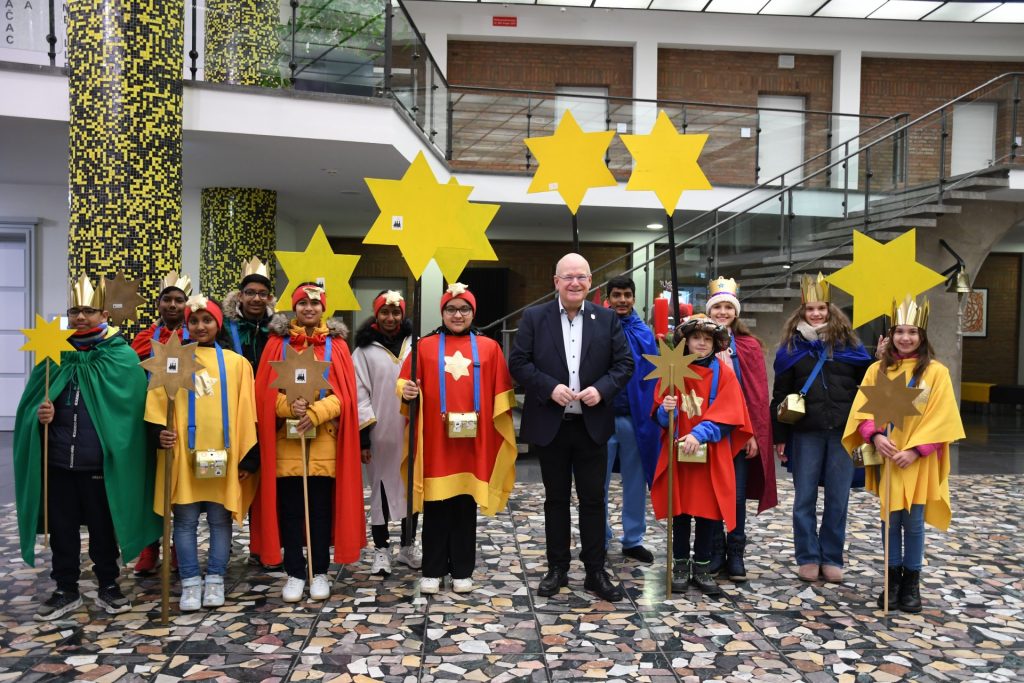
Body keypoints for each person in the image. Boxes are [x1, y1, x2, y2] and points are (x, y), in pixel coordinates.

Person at [14, 274, 161, 620]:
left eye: (89, 310)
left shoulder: (121, 357)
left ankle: (109, 584)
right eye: (75, 310)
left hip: (99, 464)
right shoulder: (55, 355)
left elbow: (131, 411)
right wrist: (41, 413)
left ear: (104, 314)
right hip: (60, 463)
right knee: (62, 530)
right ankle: (65, 588)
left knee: (103, 528)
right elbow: (32, 404)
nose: (81, 317)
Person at [509, 253, 633, 602]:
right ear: (556, 282)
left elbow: (624, 364)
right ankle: (557, 568)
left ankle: (595, 571)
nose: (575, 283)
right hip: (553, 425)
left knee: (594, 500)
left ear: (590, 281)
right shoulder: (535, 317)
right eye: (568, 277)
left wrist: (602, 389)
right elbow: (518, 362)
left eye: (581, 277)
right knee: (556, 500)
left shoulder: (607, 319)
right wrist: (548, 387)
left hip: (592, 425)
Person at [842, 296, 964, 612]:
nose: (905, 338)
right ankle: (891, 582)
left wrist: (917, 450)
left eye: (912, 332)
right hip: (888, 456)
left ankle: (912, 584)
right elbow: (862, 412)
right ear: (891, 335)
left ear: (922, 336)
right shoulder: (877, 370)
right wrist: (876, 437)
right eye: (899, 332)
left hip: (916, 460)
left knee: (913, 522)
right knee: (889, 520)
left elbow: (943, 417)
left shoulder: (936, 373)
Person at [398, 283, 518, 594]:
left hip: (472, 443)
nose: (458, 314)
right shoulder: (423, 347)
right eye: (451, 309)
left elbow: (502, 394)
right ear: (442, 312)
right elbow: (404, 385)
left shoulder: (490, 348)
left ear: (473, 313)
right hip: (436, 441)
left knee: (465, 507)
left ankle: (463, 569)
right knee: (436, 507)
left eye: (464, 309)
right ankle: (433, 569)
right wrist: (407, 391)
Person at [251, 283, 365, 602]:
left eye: (315, 304)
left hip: (324, 447)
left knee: (319, 512)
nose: (309, 309)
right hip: (286, 448)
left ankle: (319, 572)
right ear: (295, 307)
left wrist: (315, 412)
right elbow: (264, 396)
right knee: (290, 512)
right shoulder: (277, 344)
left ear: (323, 308)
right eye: (303, 303)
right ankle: (294, 572)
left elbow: (346, 398)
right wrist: (290, 408)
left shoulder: (337, 346)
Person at [145, 296, 260, 611]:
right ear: (186, 325)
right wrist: (159, 433)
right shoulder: (173, 360)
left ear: (217, 323)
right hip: (185, 454)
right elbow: (156, 402)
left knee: (220, 520)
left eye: (206, 320)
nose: (200, 326)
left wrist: (248, 456)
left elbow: (247, 410)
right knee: (185, 521)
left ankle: (215, 580)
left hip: (224, 454)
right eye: (193, 321)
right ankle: (191, 581)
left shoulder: (238, 364)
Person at [771, 273, 872, 583]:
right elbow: (780, 396)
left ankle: (831, 556)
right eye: (810, 309)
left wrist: (881, 358)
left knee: (838, 498)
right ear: (802, 312)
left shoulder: (850, 346)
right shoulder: (791, 350)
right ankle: (807, 556)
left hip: (843, 432)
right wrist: (780, 437)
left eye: (821, 309)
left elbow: (870, 381)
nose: (816, 314)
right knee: (804, 498)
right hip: (806, 433)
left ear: (831, 311)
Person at [652, 315, 751, 597]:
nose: (702, 343)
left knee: (708, 513)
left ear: (714, 344)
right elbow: (659, 414)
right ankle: (680, 565)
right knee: (680, 510)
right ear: (686, 341)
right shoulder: (672, 370)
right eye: (696, 338)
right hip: (679, 453)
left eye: (707, 339)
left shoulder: (725, 373)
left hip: (709, 454)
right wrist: (665, 408)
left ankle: (703, 566)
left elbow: (731, 413)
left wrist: (701, 433)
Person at [704, 277, 777, 581]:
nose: (722, 312)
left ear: (735, 312)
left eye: (727, 307)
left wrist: (754, 435)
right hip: (709, 430)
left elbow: (758, 396)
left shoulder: (748, 346)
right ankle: (714, 551)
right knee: (711, 494)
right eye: (717, 307)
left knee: (735, 495)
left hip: (740, 431)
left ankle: (735, 552)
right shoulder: (699, 342)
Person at [352, 290, 421, 576]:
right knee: (380, 492)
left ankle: (407, 546)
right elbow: (359, 395)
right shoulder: (363, 351)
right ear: (376, 314)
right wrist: (364, 437)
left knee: (411, 489)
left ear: (403, 314)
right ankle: (381, 548)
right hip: (380, 433)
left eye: (396, 312)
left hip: (411, 430)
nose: (390, 318)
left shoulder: (416, 346)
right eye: (384, 312)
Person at [130, 270, 192, 576]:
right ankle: (149, 546)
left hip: (181, 420)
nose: (172, 305)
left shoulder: (194, 339)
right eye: (166, 299)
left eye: (178, 300)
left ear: (186, 304)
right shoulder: (144, 339)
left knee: (179, 487)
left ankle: (180, 548)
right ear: (158, 304)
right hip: (148, 422)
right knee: (150, 487)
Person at [221, 258, 277, 569]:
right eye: (250, 292)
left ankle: (263, 545)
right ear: (240, 295)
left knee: (267, 480)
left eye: (262, 293)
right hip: (234, 410)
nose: (256, 298)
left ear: (270, 298)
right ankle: (222, 541)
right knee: (234, 474)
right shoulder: (225, 330)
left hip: (270, 412)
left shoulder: (278, 330)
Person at [603, 275, 659, 564]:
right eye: (616, 295)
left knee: (635, 481)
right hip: (601, 416)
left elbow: (653, 376)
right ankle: (598, 535)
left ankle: (633, 538)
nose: (622, 300)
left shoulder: (644, 333)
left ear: (634, 298)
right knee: (595, 481)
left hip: (634, 418)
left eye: (627, 294)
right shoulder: (595, 328)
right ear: (607, 298)